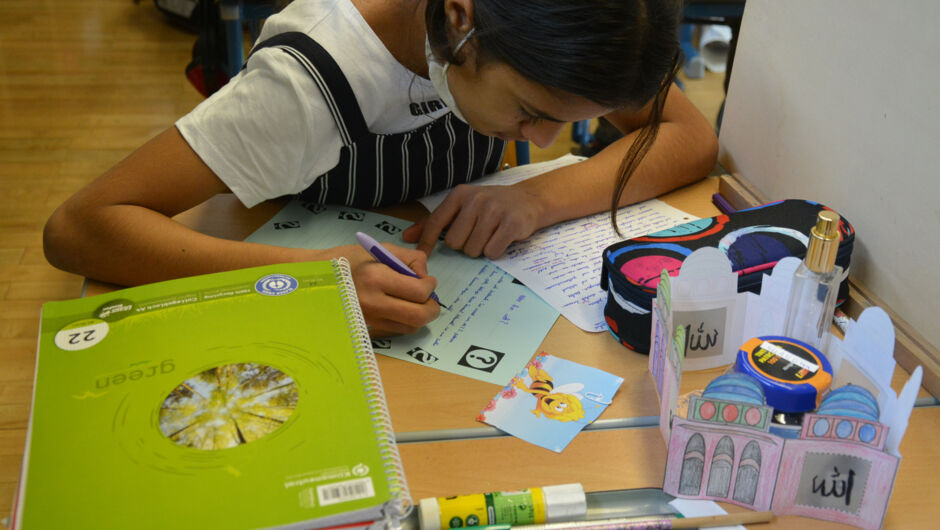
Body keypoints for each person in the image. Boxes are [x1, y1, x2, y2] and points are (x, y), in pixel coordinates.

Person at [43, 0, 718, 336]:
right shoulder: (309, 82)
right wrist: (311, 284)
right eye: (529, 113)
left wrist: (538, 200)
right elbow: (80, 227)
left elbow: (688, 135)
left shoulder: (555, 31)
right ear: (461, 24)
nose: (543, 143)